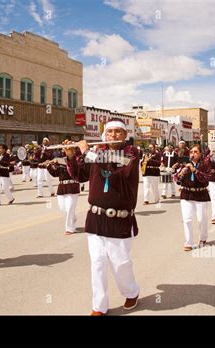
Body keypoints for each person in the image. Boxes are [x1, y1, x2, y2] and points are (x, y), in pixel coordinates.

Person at [64, 118, 140, 316]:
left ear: (125, 135)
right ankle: (99, 305)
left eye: (118, 131)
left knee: (120, 263)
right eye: (110, 132)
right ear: (104, 135)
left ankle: (131, 291)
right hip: (96, 218)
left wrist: (88, 152)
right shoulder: (97, 153)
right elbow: (79, 176)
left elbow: (120, 172)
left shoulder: (131, 153)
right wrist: (72, 156)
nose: (113, 135)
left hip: (120, 219)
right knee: (97, 263)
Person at [175, 144, 211, 251]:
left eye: (196, 152)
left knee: (201, 219)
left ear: (200, 154)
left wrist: (195, 171)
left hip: (200, 194)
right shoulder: (184, 164)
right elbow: (176, 179)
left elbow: (206, 178)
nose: (193, 154)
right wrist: (181, 173)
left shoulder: (205, 165)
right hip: (186, 193)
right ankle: (189, 242)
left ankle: (203, 237)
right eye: (191, 152)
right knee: (187, 219)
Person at [46, 150, 80, 235]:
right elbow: (55, 174)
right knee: (63, 209)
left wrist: (66, 163)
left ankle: (70, 228)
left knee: (69, 209)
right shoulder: (60, 162)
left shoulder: (76, 161)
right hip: (62, 188)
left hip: (72, 187)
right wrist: (49, 166)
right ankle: (73, 217)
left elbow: (77, 170)